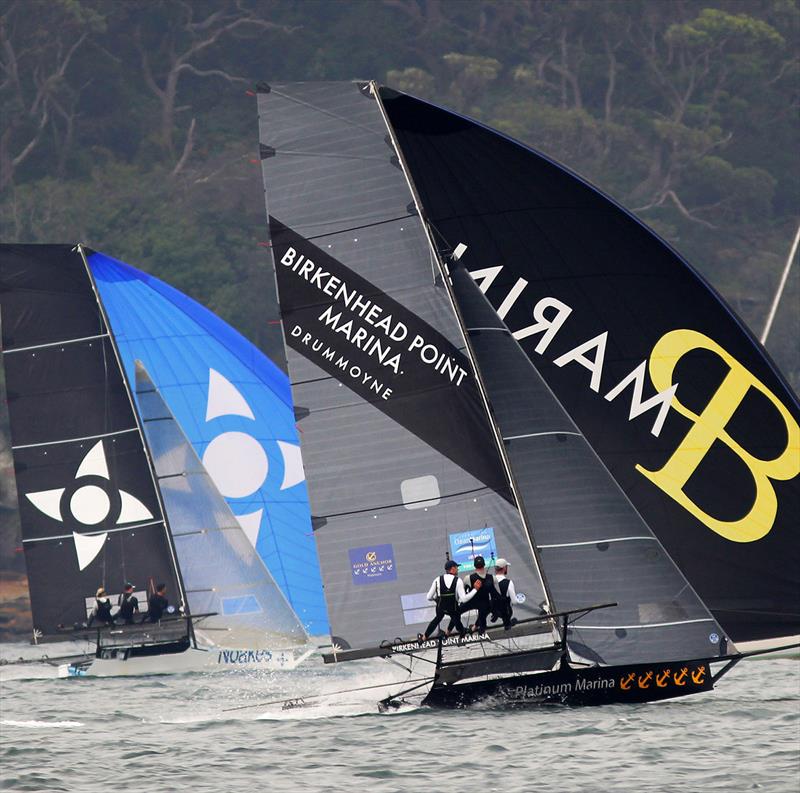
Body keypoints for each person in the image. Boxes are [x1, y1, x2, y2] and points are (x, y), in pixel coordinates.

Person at [420, 560, 481, 641]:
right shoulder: (458, 581)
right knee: (456, 619)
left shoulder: (437, 579)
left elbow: (429, 597)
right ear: (452, 569)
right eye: (457, 568)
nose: (458, 570)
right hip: (453, 609)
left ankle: (423, 638)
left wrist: (436, 599)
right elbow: (464, 599)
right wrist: (475, 590)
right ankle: (462, 633)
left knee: (437, 619)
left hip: (441, 608)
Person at [461, 555, 497, 633]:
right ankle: (480, 628)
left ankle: (458, 630)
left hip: (471, 602)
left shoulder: (468, 578)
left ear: (474, 566)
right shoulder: (492, 578)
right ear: (484, 565)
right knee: (485, 607)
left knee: (456, 611)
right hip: (484, 604)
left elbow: (463, 592)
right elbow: (495, 593)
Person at [490, 558, 518, 629]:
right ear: (504, 568)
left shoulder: (489, 581)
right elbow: (514, 602)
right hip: (505, 611)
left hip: (494, 609)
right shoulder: (509, 583)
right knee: (508, 610)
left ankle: (495, 615)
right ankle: (508, 624)